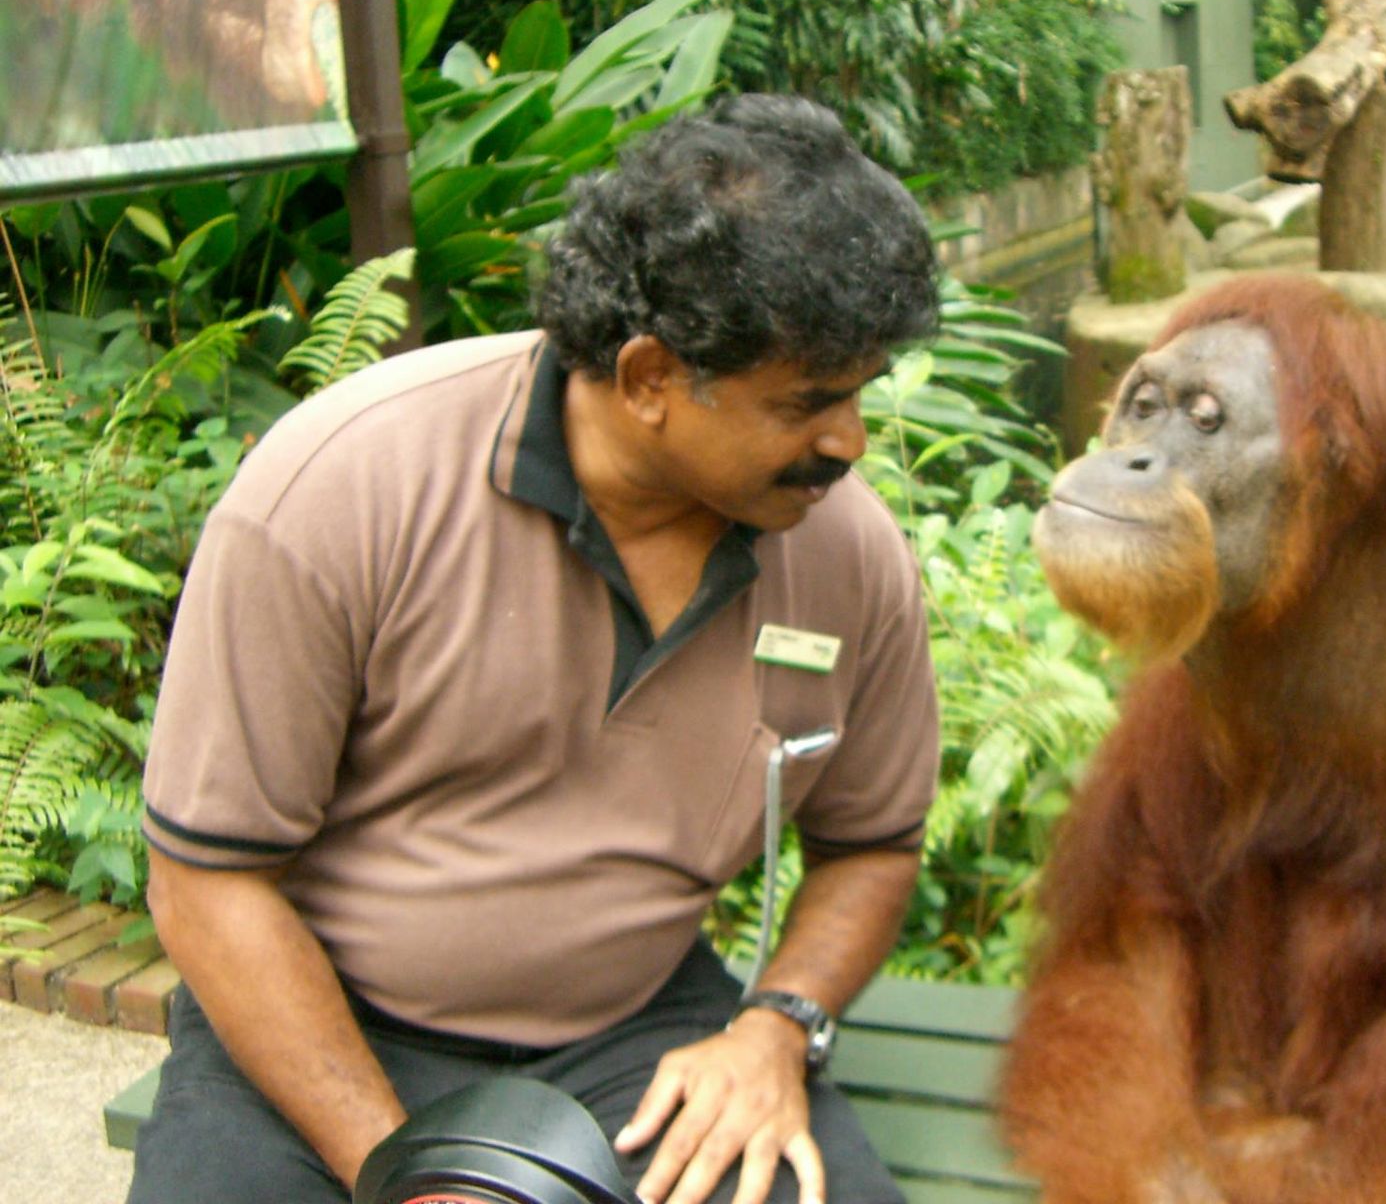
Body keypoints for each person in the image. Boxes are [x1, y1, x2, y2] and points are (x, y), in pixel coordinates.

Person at [128, 94, 946, 1204]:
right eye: (808, 403)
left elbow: (873, 845)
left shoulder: (844, 552)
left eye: (859, 396)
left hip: (639, 1040)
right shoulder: (342, 489)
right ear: (651, 377)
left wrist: (777, 1024)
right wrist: (407, 1171)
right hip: (322, 1027)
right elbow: (206, 884)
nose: (847, 443)